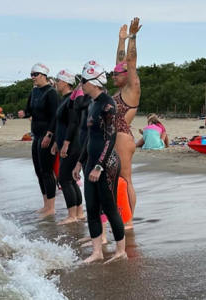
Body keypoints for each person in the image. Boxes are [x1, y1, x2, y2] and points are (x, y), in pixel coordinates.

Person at [72, 61, 126, 264]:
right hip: (92, 163)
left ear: (94, 81)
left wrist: (99, 166)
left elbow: (110, 138)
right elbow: (89, 139)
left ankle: (120, 251)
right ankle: (97, 252)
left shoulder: (107, 104)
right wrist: (80, 163)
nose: (81, 85)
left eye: (83, 81)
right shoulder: (92, 104)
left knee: (110, 207)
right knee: (92, 207)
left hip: (107, 164)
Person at [18, 63, 59, 218]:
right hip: (36, 133)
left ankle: (51, 207)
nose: (33, 78)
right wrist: (23, 112)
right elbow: (30, 109)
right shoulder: (34, 91)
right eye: (31, 75)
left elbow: (56, 115)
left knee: (47, 171)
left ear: (43, 75)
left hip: (47, 133)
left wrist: (50, 134)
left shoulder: (51, 92)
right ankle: (45, 204)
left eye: (35, 74)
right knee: (38, 170)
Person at [112, 17, 143, 229]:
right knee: (115, 181)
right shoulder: (118, 91)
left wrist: (132, 37)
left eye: (116, 74)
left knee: (125, 179)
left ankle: (129, 220)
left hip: (123, 138)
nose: (113, 75)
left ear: (128, 76)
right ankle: (120, 214)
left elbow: (130, 63)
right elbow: (121, 62)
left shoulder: (132, 89)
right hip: (113, 137)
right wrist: (120, 41)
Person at [52, 69, 84, 225]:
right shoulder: (64, 99)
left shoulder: (71, 100)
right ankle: (79, 212)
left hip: (73, 143)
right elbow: (62, 124)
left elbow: (74, 123)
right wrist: (56, 143)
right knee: (70, 179)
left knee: (64, 179)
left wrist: (66, 143)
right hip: (68, 142)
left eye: (58, 81)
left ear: (65, 82)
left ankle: (72, 216)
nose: (56, 83)